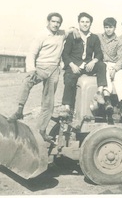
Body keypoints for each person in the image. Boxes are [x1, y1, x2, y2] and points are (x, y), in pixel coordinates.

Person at [7, 12, 79, 142]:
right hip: (40, 67)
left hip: (54, 70)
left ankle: (42, 131)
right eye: (53, 21)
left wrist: (74, 29)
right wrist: (31, 70)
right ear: (48, 22)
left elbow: (70, 30)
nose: (56, 24)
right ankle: (19, 110)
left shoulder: (62, 34)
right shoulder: (41, 35)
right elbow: (32, 53)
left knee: (48, 102)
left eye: (58, 22)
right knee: (27, 82)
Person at [61, 12, 108, 118]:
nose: (85, 24)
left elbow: (99, 53)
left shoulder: (94, 37)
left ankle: (99, 93)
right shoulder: (72, 36)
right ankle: (67, 106)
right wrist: (72, 65)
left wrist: (93, 61)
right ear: (79, 23)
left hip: (87, 65)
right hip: (74, 65)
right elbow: (65, 54)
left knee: (102, 66)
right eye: (82, 22)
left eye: (87, 22)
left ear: (90, 23)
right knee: (69, 77)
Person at [98, 17, 122, 117]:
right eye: (106, 27)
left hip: (115, 65)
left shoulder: (119, 41)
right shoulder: (99, 37)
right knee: (106, 78)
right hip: (103, 64)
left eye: (110, 27)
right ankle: (107, 101)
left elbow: (121, 58)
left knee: (121, 81)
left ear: (115, 28)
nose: (108, 29)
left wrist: (115, 69)